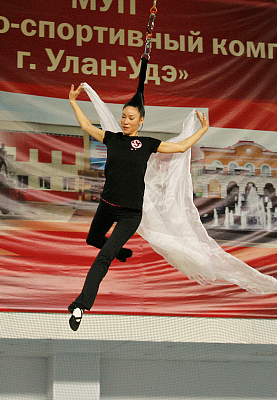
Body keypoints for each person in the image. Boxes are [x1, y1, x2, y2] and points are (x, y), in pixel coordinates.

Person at [66, 58, 209, 331]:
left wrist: (202, 130)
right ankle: (120, 252)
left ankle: (80, 305)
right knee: (92, 239)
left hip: (129, 214)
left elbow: (180, 148)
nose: (125, 121)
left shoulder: (147, 144)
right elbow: (86, 127)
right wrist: (74, 102)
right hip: (107, 205)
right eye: (123, 117)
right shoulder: (113, 138)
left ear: (141, 121)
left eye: (131, 118)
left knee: (103, 256)